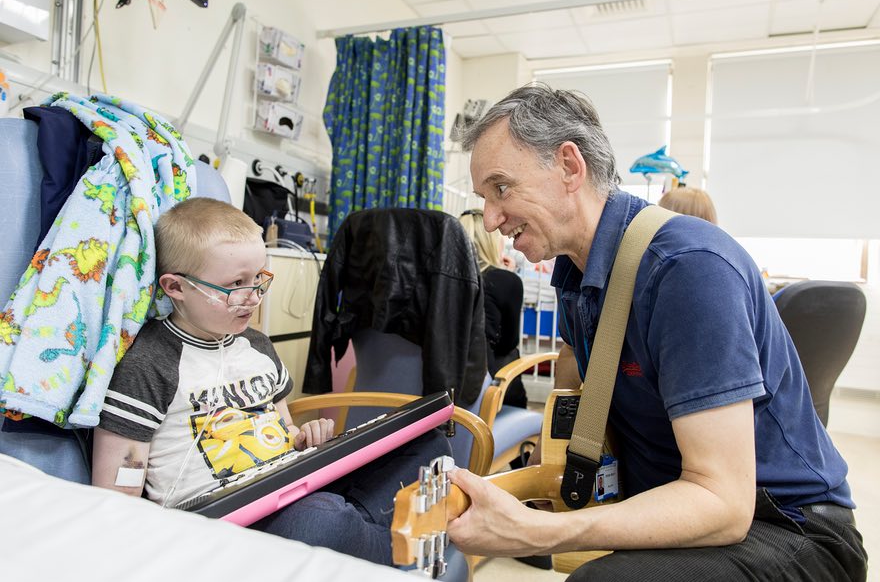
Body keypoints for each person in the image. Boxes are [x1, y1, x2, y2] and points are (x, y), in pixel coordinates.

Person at [445, 83, 867, 582]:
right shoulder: (576, 274)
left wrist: (534, 532)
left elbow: (723, 502)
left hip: (786, 528)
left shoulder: (686, 269)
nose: (490, 219)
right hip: (680, 497)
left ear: (569, 167)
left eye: (501, 188)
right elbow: (581, 379)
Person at [91, 197, 450, 566]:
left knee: (428, 446)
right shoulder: (151, 362)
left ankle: (355, 533)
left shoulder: (258, 346)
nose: (253, 298)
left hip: (293, 488)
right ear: (176, 287)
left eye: (259, 280)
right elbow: (116, 492)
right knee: (320, 519)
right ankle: (394, 549)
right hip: (224, 526)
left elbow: (284, 431)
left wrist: (304, 439)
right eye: (235, 284)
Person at [459, 208, 527, 408]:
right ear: (491, 243)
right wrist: (507, 275)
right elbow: (507, 342)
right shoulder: (506, 281)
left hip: (444, 388)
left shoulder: (443, 283)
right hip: (491, 393)